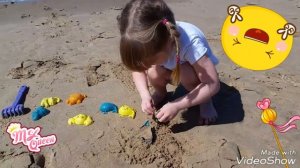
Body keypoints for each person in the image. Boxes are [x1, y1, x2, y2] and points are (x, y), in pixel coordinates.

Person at [117, 0, 220, 125]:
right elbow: (138, 69)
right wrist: (144, 95)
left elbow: (212, 84)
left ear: (170, 42)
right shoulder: (153, 44)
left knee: (185, 73)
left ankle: (205, 101)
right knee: (153, 73)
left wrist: (177, 105)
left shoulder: (191, 45)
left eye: (151, 60)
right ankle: (161, 93)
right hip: (171, 66)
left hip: (198, 74)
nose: (144, 67)